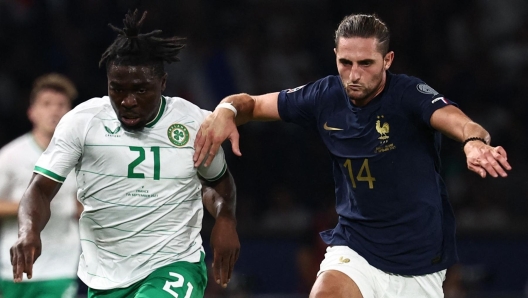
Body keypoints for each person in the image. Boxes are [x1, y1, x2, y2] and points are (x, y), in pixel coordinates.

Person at [193, 13, 512, 298]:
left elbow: (458, 120)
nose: (354, 74)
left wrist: (473, 142)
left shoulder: (408, 95)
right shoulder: (324, 95)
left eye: (366, 63)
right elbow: (253, 104)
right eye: (345, 63)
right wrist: (226, 109)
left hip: (419, 261)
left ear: (387, 60)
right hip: (355, 246)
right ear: (335, 56)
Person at [10, 9, 240, 298]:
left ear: (163, 84)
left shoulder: (195, 123)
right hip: (106, 275)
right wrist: (28, 230)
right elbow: (40, 190)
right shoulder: (82, 122)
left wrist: (226, 219)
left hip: (174, 263)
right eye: (117, 89)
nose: (128, 101)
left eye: (141, 90)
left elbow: (218, 183)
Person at [0, 73, 80, 298]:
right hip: (13, 268)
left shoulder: (80, 158)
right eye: (46, 104)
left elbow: (80, 205)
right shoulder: (10, 156)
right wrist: (31, 207)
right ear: (31, 112)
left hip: (61, 267)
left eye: (61, 105)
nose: (54, 111)